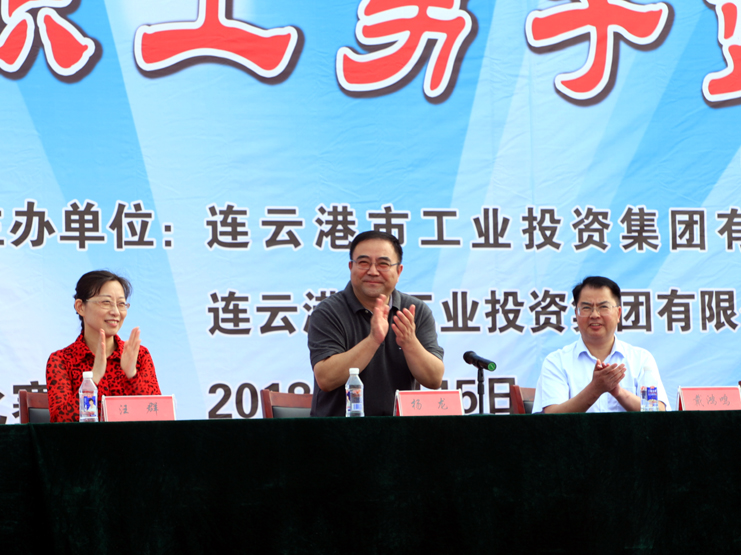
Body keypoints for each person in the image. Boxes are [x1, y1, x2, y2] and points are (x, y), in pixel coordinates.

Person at [308, 231, 444, 416]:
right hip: (339, 429)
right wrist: (373, 340)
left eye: (383, 264)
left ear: (399, 271)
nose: (372, 271)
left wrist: (409, 342)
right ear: (351, 267)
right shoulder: (328, 312)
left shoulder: (414, 311)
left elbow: (434, 379)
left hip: (399, 430)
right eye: (364, 263)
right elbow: (326, 378)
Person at [533, 276, 670, 413]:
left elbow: (657, 411)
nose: (595, 315)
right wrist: (595, 389)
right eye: (586, 308)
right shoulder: (557, 362)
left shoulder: (641, 359)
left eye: (603, 307)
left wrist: (619, 393)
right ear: (576, 314)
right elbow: (551, 416)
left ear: (618, 313)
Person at [46, 271, 161, 422]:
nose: (115, 312)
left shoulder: (139, 356)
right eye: (106, 302)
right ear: (80, 307)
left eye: (121, 304)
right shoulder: (61, 360)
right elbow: (59, 423)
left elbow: (158, 415)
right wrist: (92, 380)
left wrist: (132, 375)